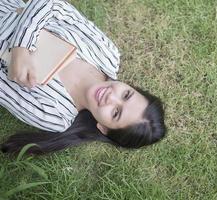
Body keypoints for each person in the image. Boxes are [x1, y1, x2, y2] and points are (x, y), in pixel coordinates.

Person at [0, 0, 166, 154]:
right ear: (131, 86)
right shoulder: (107, 54)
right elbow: (52, 5)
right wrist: (20, 46)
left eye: (116, 112)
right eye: (126, 95)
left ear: (103, 128)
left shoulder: (56, 115)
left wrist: (26, 26)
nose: (111, 97)